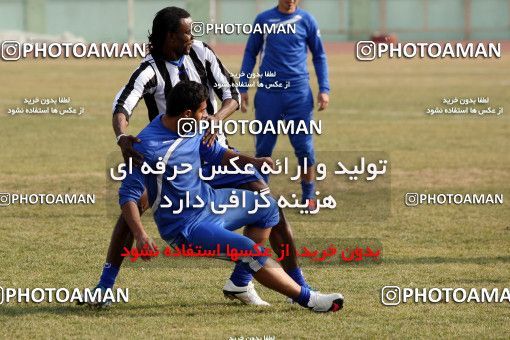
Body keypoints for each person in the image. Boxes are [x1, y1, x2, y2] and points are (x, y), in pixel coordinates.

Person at [93, 6, 316, 307]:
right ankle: (105, 287)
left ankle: (275, 284)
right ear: (170, 36)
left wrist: (216, 118)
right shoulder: (149, 70)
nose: (192, 37)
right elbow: (122, 107)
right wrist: (122, 137)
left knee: (269, 204)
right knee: (132, 207)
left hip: (216, 151)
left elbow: (232, 94)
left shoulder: (201, 52)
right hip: (171, 162)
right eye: (187, 32)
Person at [118, 81, 344, 312]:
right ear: (187, 113)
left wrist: (253, 161)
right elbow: (128, 195)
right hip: (185, 228)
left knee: (268, 208)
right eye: (203, 110)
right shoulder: (148, 148)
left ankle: (240, 283)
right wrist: (141, 235)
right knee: (249, 251)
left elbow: (214, 153)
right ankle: (309, 299)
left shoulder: (190, 126)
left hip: (212, 203)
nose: (207, 116)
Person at [239, 0, 330, 209]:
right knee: (263, 149)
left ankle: (309, 195)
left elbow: (320, 55)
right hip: (268, 94)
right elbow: (250, 53)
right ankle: (263, 198)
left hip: (298, 94)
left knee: (304, 148)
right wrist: (242, 87)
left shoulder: (307, 20)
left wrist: (324, 88)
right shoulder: (263, 19)